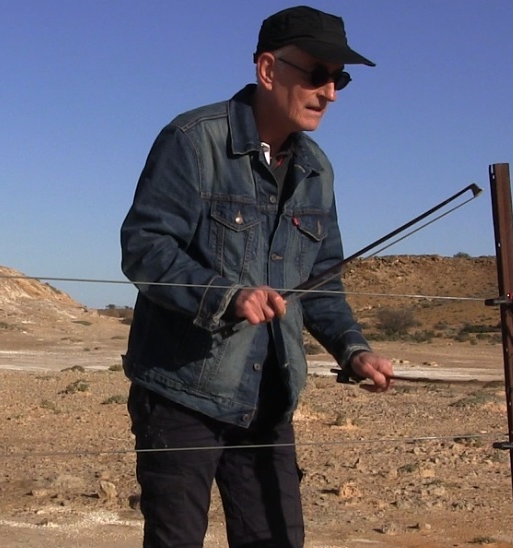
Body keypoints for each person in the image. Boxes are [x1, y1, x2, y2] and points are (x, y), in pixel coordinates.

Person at [120, 5, 394, 547]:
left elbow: (321, 282)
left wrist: (353, 350)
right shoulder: (192, 140)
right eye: (317, 74)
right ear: (268, 70)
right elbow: (145, 248)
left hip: (267, 400)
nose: (330, 92)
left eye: (338, 78)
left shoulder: (317, 170)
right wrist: (227, 295)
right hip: (182, 395)